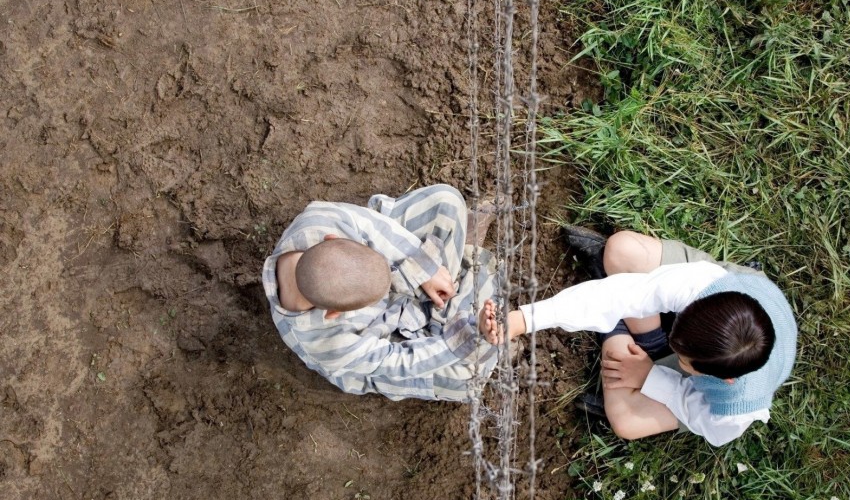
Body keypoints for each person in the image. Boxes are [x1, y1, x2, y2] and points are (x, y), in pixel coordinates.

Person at [503, 228, 797, 446]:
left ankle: (617, 329)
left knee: (626, 421)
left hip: (711, 382)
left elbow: (695, 411)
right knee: (622, 250)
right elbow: (627, 294)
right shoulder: (703, 285)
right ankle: (648, 340)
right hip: (723, 300)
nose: (679, 358)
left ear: (725, 379)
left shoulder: (735, 409)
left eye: (683, 360)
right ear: (698, 304)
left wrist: (650, 377)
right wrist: (523, 320)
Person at [261, 184, 503, 402]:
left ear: (331, 239)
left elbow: (376, 229)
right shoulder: (328, 344)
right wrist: (456, 342)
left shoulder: (319, 219)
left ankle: (447, 306)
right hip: (382, 339)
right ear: (334, 313)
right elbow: (396, 361)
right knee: (467, 379)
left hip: (402, 272)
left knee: (446, 201)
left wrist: (423, 269)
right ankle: (454, 315)